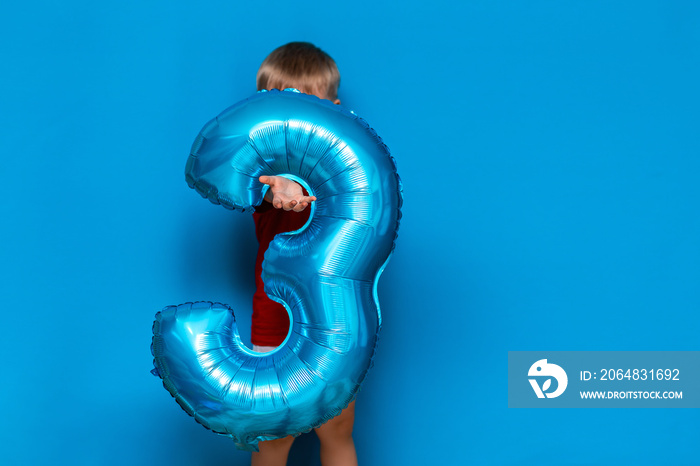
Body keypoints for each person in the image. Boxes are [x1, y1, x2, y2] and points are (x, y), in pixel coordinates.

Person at [250, 42, 358, 466]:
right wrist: (281, 185)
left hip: (336, 319)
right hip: (276, 324)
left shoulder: (348, 170)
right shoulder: (258, 172)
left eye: (309, 109)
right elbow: (268, 185)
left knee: (338, 428)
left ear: (333, 110)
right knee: (274, 437)